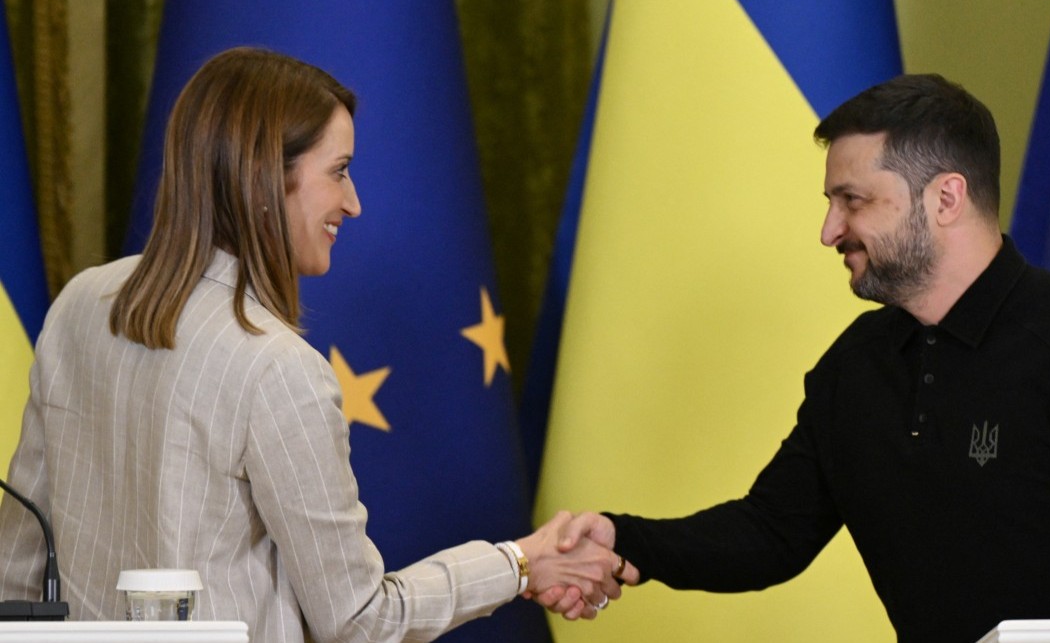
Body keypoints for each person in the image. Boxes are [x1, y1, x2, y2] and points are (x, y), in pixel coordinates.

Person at [0, 47, 621, 642]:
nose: (352, 204)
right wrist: (517, 563)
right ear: (267, 179)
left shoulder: (82, 302)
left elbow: (18, 568)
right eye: (339, 171)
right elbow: (359, 621)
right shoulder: (276, 368)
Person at [550, 74, 1050, 642]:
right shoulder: (856, 367)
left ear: (946, 198)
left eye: (852, 200)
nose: (829, 231)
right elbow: (770, 533)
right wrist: (623, 541)